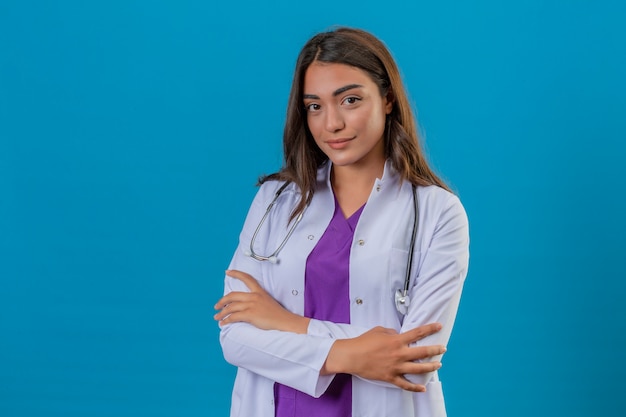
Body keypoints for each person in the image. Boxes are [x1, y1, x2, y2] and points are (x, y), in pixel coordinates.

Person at [214, 27, 469, 417]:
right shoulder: (274, 201)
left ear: (387, 99)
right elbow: (235, 337)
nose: (331, 123)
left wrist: (283, 322)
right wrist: (352, 353)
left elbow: (413, 362)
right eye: (314, 106)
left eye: (350, 100)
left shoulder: (438, 213)